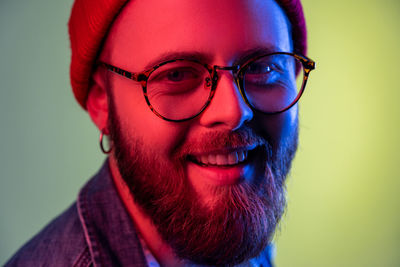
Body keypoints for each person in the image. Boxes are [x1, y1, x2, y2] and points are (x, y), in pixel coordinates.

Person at [5, 0, 315, 266]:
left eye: (263, 68)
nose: (233, 112)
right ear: (103, 101)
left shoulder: (242, 237)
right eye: (177, 74)